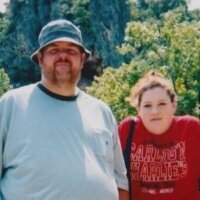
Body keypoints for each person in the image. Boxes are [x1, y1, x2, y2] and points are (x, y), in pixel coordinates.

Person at [0, 19, 129, 200]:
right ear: (40, 59)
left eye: (71, 50)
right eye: (54, 50)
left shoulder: (102, 112)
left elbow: (120, 182)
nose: (63, 56)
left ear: (82, 59)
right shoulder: (11, 105)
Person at [118, 71, 200, 200]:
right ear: (138, 109)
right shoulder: (128, 129)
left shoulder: (191, 128)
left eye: (162, 104)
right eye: (147, 105)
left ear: (173, 105)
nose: (155, 111)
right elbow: (115, 180)